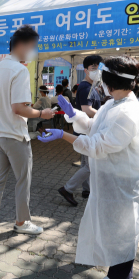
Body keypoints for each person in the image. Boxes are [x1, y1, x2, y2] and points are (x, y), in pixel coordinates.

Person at [38, 56, 139, 279]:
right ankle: (103, 257)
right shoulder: (114, 103)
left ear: (110, 82)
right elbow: (94, 126)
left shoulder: (127, 112)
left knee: (123, 226)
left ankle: (122, 273)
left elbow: (99, 144)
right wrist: (73, 114)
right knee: (106, 221)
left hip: (125, 179)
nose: (96, 80)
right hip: (111, 176)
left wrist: (64, 136)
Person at [0, 25, 54, 243]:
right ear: (21, 45)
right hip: (14, 135)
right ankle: (22, 222)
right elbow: (19, 108)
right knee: (22, 180)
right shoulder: (20, 70)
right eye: (33, 46)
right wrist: (43, 113)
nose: (34, 51)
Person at [58, 55, 103, 206]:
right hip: (86, 131)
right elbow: (87, 110)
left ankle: (87, 190)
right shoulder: (85, 87)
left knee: (86, 164)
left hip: (88, 130)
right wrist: (106, 115)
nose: (96, 71)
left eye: (98, 67)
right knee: (89, 166)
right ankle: (68, 189)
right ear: (85, 70)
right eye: (93, 68)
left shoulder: (91, 87)